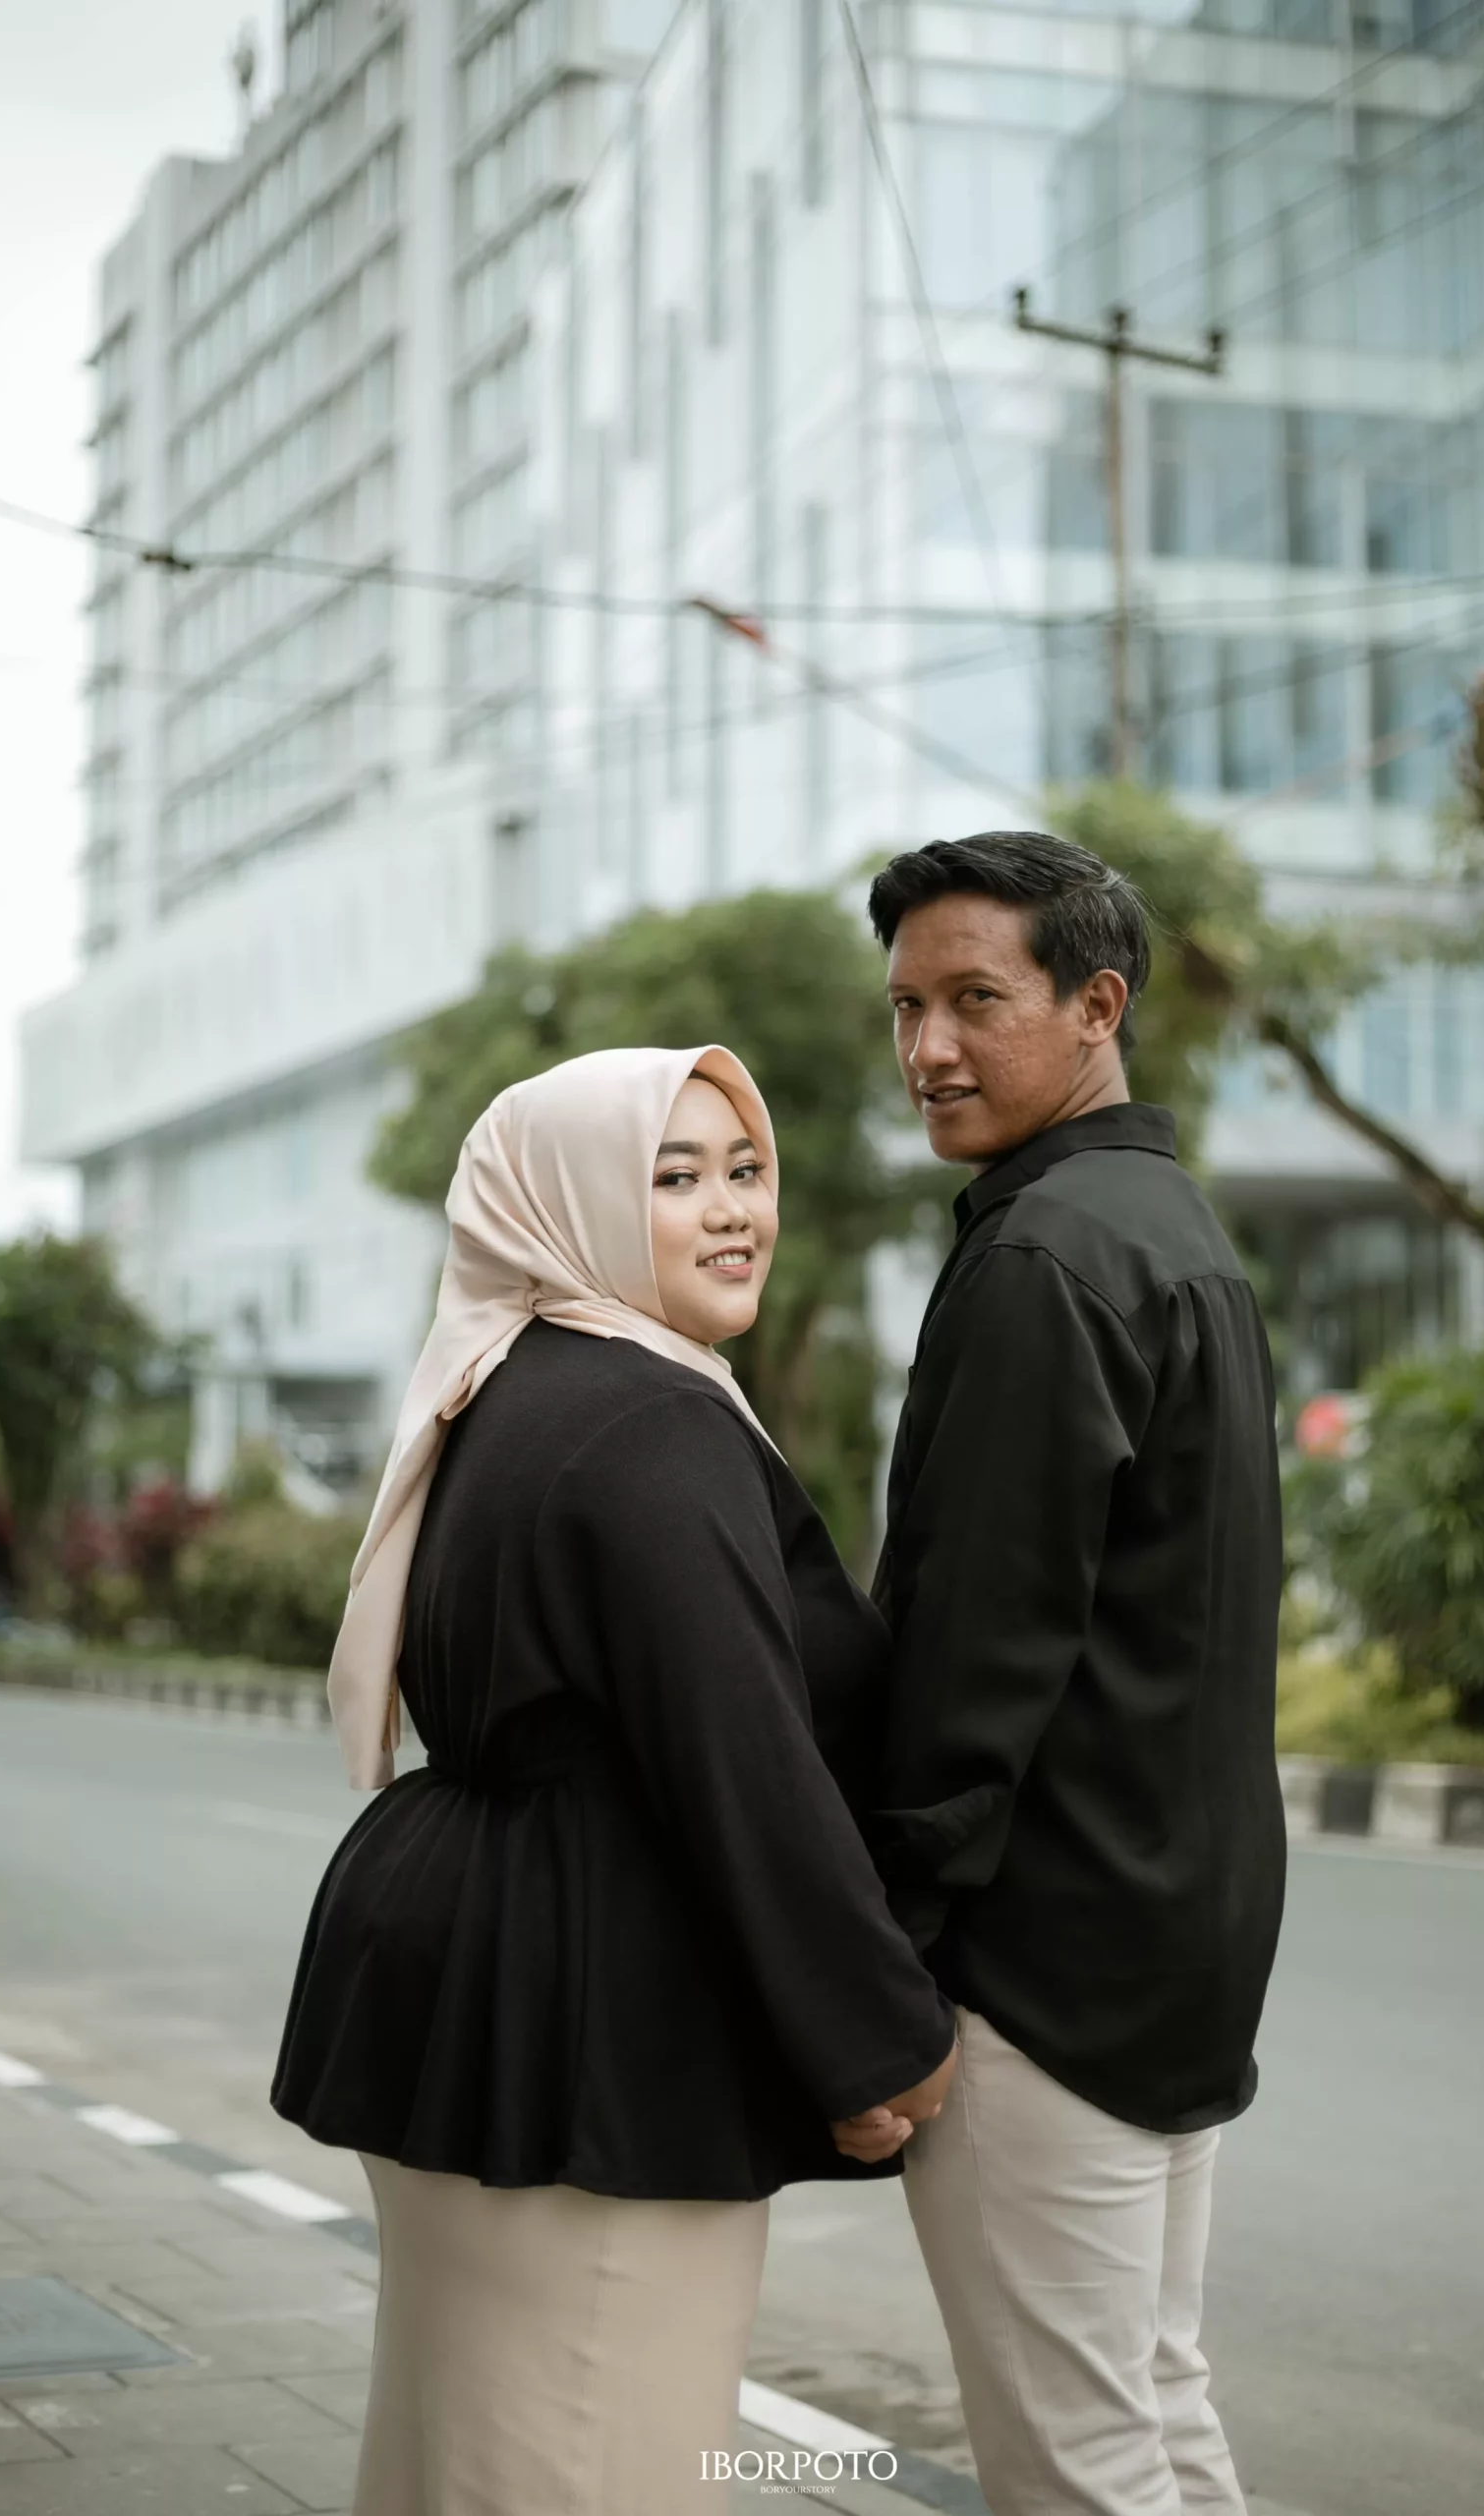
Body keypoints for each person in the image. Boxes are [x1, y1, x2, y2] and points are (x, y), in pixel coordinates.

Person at [272, 1044, 956, 2516]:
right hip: (593, 2024)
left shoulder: (510, 1386)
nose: (733, 1210)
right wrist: (874, 2044)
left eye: (745, 1170)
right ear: (568, 1201)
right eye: (674, 1177)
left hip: (482, 1978)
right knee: (605, 2465)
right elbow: (741, 1768)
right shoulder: (648, 1421)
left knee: (462, 2458)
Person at [864, 833, 1285, 2516]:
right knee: (1152, 2410)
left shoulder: (1043, 1258)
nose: (927, 1048)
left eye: (976, 1000)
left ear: (1096, 1007)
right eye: (904, 1008)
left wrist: (885, 1963)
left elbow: (975, 1651)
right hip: (1176, 1937)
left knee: (1076, 2463)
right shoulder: (1165, 1228)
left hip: (1042, 1974)